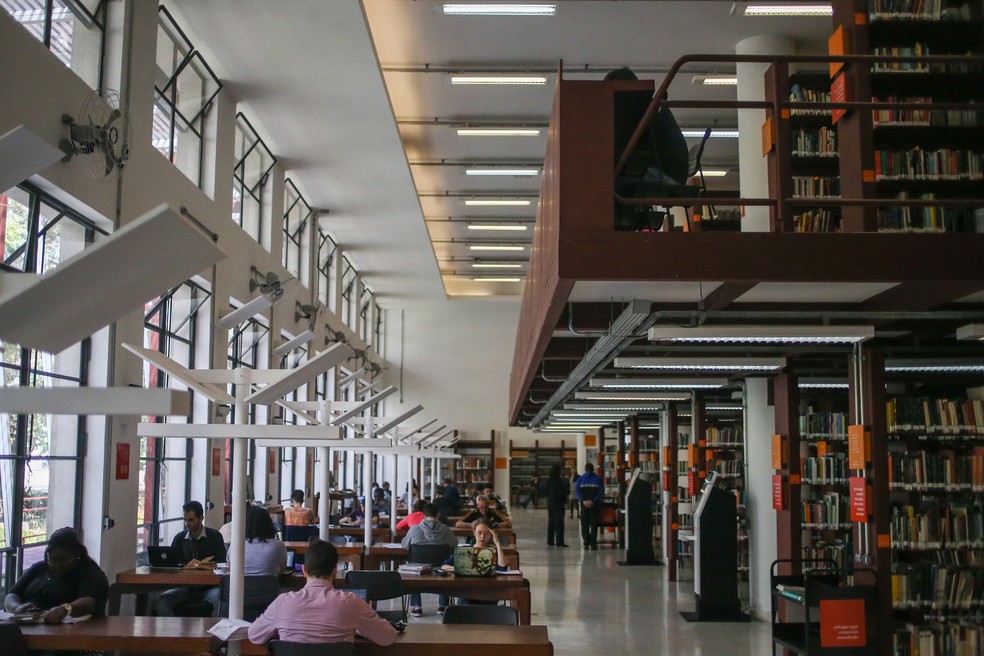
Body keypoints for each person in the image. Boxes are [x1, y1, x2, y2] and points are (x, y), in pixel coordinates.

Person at [247, 539, 397, 646]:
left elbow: (254, 635)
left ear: (304, 571)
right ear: (334, 571)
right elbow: (388, 637)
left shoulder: (283, 602)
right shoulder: (351, 602)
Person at [4, 527, 109, 623]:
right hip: (30, 625)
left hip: (72, 631)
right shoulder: (39, 568)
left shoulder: (90, 573)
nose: (58, 565)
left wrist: (65, 609)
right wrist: (17, 608)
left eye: (64, 559)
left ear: (77, 554)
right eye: (52, 560)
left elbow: (89, 603)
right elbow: (12, 594)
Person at [157, 500, 227, 616]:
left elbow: (222, 563)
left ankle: (214, 632)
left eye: (191, 520)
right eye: (185, 520)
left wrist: (202, 565)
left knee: (218, 598)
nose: (187, 524)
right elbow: (173, 562)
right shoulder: (179, 538)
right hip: (185, 587)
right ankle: (169, 632)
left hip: (209, 587)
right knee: (163, 600)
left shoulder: (215, 537)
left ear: (201, 518)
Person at [401, 502, 457, 617]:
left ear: (423, 515)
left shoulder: (414, 529)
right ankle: (443, 605)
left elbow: (404, 545)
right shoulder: (446, 530)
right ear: (438, 514)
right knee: (445, 569)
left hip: (418, 568)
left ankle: (417, 607)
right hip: (440, 568)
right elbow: (454, 544)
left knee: (412, 566)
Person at [440, 519, 508, 606]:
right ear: (474, 532)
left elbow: (503, 568)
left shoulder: (493, 552)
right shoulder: (465, 551)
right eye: (479, 532)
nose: (482, 536)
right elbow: (444, 566)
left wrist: (497, 543)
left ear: (491, 535)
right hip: (467, 592)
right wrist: (459, 569)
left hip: (488, 594)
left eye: (486, 533)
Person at [245, 505, 288, 576]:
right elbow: (281, 570)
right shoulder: (278, 545)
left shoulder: (235, 545)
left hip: (241, 587)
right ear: (268, 523)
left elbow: (231, 567)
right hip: (268, 586)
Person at [575, 463, 604, 550]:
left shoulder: (580, 479)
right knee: (594, 524)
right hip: (594, 505)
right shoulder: (599, 479)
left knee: (585, 524)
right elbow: (601, 492)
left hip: (584, 505)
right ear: (593, 469)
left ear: (585, 469)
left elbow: (577, 491)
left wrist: (583, 500)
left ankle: (586, 543)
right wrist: (593, 500)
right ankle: (593, 543)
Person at [545, 464, 569, 547]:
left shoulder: (549, 480)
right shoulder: (559, 481)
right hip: (558, 503)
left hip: (550, 503)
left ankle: (550, 540)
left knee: (551, 521)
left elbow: (545, 491)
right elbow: (562, 492)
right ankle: (559, 541)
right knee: (559, 522)